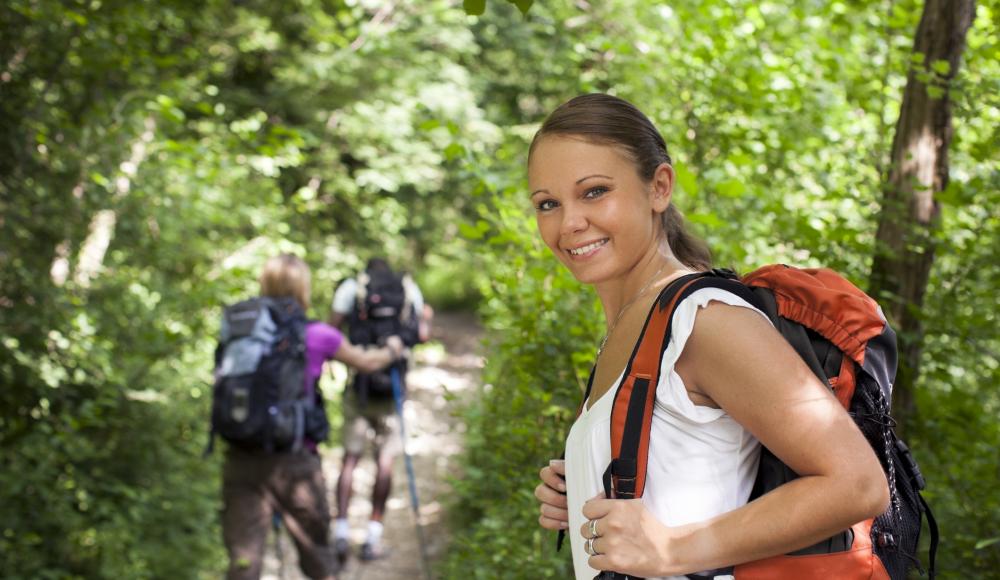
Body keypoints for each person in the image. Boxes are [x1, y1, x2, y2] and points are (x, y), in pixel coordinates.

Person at [529, 94, 890, 579]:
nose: (569, 222)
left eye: (594, 191)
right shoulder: (634, 326)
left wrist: (673, 549)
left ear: (659, 187)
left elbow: (859, 484)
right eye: (548, 204)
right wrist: (582, 488)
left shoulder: (704, 320)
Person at [220, 254, 405, 580]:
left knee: (244, 562)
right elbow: (367, 362)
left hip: (240, 457)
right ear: (303, 287)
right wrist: (393, 349)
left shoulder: (239, 330)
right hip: (295, 462)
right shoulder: (317, 335)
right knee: (320, 560)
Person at [328, 258, 427, 562]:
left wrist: (356, 357)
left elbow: (332, 332)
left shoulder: (351, 287)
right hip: (395, 385)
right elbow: (421, 334)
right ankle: (373, 538)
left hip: (359, 386)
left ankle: (341, 534)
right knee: (385, 462)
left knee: (350, 459)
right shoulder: (408, 288)